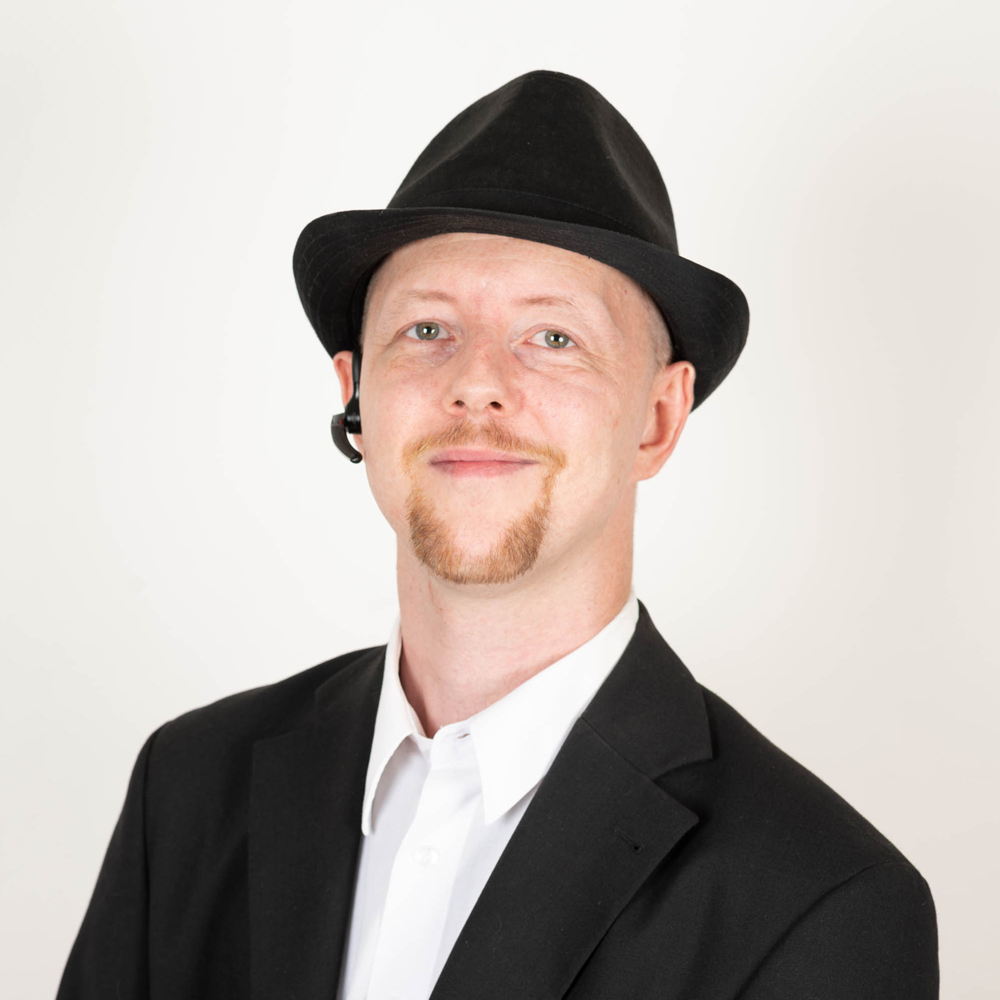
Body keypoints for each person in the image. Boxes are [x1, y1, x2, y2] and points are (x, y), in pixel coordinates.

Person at [57, 70, 938, 1000]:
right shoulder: (187, 788)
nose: (476, 383)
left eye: (553, 338)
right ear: (356, 395)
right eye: (427, 328)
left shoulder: (824, 903)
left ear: (657, 419)